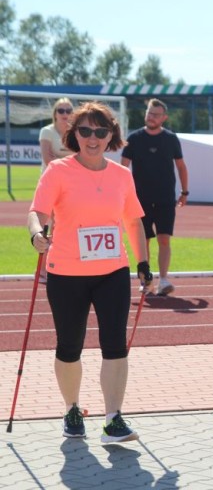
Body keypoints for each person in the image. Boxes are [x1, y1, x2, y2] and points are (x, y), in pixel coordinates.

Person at [28, 101, 154, 442]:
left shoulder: (122, 176)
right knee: (69, 346)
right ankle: (72, 409)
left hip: (113, 271)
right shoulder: (57, 171)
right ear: (74, 135)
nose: (93, 138)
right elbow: (37, 212)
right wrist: (37, 233)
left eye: (101, 131)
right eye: (85, 131)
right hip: (67, 272)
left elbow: (133, 221)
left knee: (115, 344)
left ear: (111, 135)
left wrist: (143, 263)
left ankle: (113, 418)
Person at [121, 98, 189, 296]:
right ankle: (145, 280)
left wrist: (185, 192)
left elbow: (181, 166)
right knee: (144, 241)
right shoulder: (134, 138)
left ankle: (164, 279)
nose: (151, 117)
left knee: (164, 239)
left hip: (165, 198)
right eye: (149, 113)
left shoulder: (170, 138)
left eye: (156, 114)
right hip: (139, 199)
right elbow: (122, 167)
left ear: (164, 118)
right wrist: (121, 194)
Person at [37, 98, 76, 283]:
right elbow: (48, 158)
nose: (65, 114)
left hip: (72, 186)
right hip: (50, 184)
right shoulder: (47, 131)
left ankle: (58, 265)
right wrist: (67, 165)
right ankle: (43, 268)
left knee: (63, 226)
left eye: (68, 110)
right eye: (61, 110)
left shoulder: (76, 133)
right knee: (45, 226)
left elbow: (80, 158)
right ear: (55, 113)